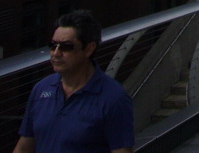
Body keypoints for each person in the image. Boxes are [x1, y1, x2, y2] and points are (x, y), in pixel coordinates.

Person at [15, 10, 134, 153]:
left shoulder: (113, 98)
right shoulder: (41, 89)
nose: (56, 53)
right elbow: (24, 147)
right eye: (53, 45)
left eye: (66, 47)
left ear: (89, 49)